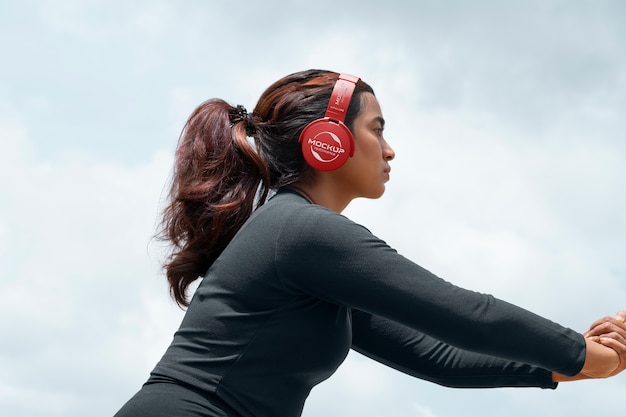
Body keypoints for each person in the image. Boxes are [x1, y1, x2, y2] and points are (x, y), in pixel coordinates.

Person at [114, 69, 626, 417]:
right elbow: (472, 315)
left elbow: (438, 358)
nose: (390, 149)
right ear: (326, 141)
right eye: (376, 129)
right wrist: (586, 355)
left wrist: (567, 364)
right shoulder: (302, 232)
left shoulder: (302, 245)